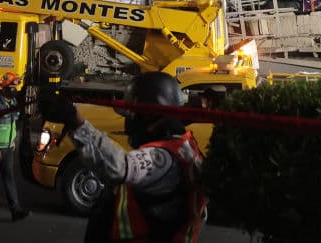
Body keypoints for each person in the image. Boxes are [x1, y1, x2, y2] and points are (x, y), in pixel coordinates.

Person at [40, 71, 207, 243]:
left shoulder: (164, 158)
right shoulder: (184, 146)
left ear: (149, 114)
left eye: (132, 113)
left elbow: (119, 167)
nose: (129, 121)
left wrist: (75, 121)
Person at [0, 72, 30, 221]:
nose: (15, 89)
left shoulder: (13, 103)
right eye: (12, 87)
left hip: (8, 148)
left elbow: (12, 124)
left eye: (15, 87)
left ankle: (15, 211)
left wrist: (13, 141)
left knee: (9, 179)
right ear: (4, 88)